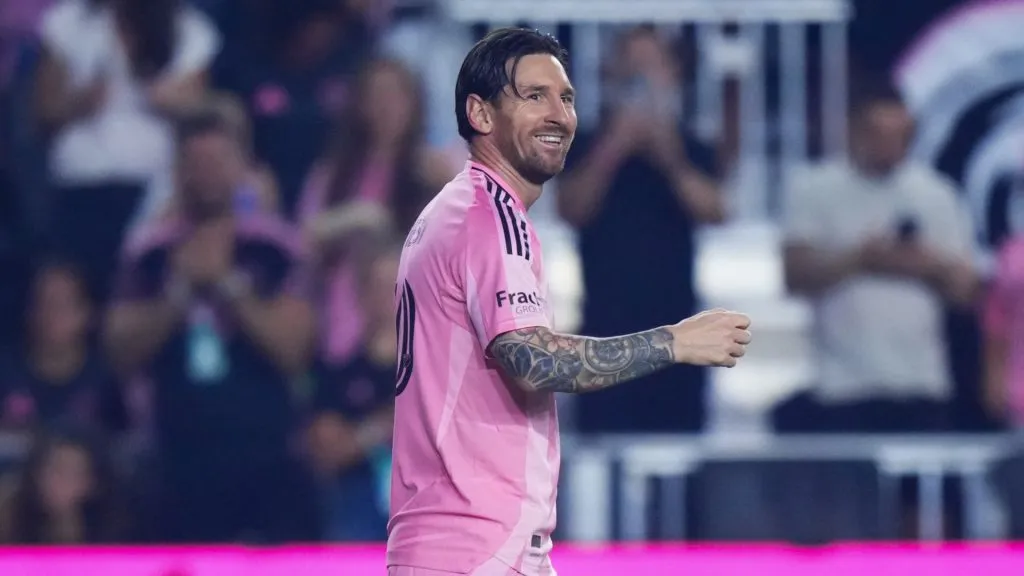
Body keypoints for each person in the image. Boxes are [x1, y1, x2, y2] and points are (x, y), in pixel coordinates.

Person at [387, 27, 751, 576]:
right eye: (535, 97)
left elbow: (716, 205)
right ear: (481, 115)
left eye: (566, 98)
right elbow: (534, 363)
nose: (559, 114)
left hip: (471, 538)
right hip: (475, 545)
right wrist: (676, 340)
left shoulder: (461, 209)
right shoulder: (490, 220)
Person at [104, 110, 318, 543]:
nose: (206, 174)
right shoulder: (148, 252)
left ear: (242, 168)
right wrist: (179, 294)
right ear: (178, 171)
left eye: (217, 161)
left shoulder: (276, 247)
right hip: (176, 448)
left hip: (265, 450)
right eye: (195, 163)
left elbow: (295, 348)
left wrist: (227, 286)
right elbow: (118, 350)